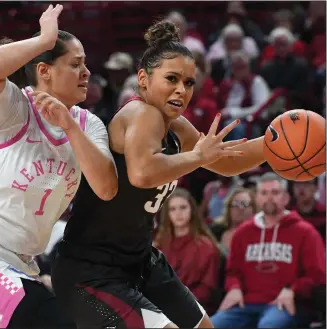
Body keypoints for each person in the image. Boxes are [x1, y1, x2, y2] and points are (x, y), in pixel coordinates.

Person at [52, 20, 267, 328]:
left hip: (139, 260)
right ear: (143, 79)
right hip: (92, 272)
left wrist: (273, 144)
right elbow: (142, 173)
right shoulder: (140, 113)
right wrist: (196, 156)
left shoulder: (175, 126)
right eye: (172, 79)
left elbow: (224, 162)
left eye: (189, 82)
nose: (182, 89)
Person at [0, 5, 118, 329]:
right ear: (44, 70)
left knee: (102, 322)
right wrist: (44, 40)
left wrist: (70, 127)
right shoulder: (14, 108)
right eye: (76, 65)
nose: (87, 72)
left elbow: (106, 187)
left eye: (85, 64)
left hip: (24, 266)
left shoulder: (90, 126)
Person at [211, 172, 325, 328]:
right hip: (246, 303)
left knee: (268, 326)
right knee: (210, 325)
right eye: (264, 193)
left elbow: (317, 276)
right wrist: (234, 288)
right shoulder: (243, 233)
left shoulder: (305, 232)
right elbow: (233, 272)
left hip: (285, 304)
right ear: (257, 198)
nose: (269, 198)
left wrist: (293, 289)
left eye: (275, 192)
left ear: (286, 197)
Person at [154, 188, 222, 316]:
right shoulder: (159, 245)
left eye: (183, 207)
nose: (178, 213)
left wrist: (179, 302)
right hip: (161, 307)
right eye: (172, 209)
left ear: (192, 210)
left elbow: (207, 290)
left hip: (194, 308)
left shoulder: (205, 246)